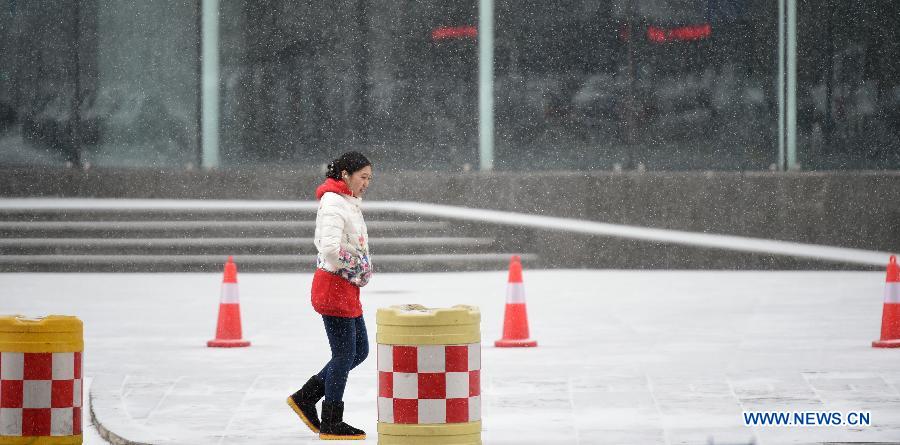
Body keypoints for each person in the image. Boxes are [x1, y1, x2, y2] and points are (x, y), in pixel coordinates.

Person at [287, 151, 373, 440]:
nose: (366, 183)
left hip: (346, 287)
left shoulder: (347, 202)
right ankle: (331, 420)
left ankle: (305, 397)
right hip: (334, 287)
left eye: (369, 179)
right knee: (344, 354)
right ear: (345, 175)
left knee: (359, 351)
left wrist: (358, 268)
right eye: (363, 177)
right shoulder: (334, 203)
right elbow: (330, 250)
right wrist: (359, 265)